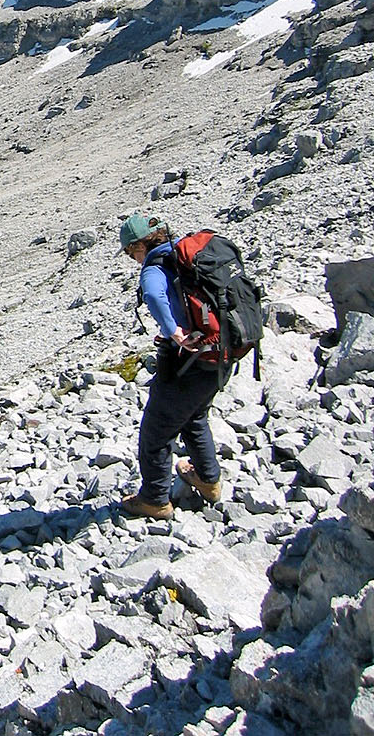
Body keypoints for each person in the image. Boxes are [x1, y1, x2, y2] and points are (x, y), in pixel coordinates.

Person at [117, 213, 228, 520]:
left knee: (156, 431)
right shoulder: (185, 251)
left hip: (191, 361)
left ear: (140, 245)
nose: (132, 259)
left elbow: (153, 294)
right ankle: (207, 479)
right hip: (222, 351)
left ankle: (154, 500)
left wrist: (173, 331)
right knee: (194, 415)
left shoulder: (155, 267)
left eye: (130, 252)